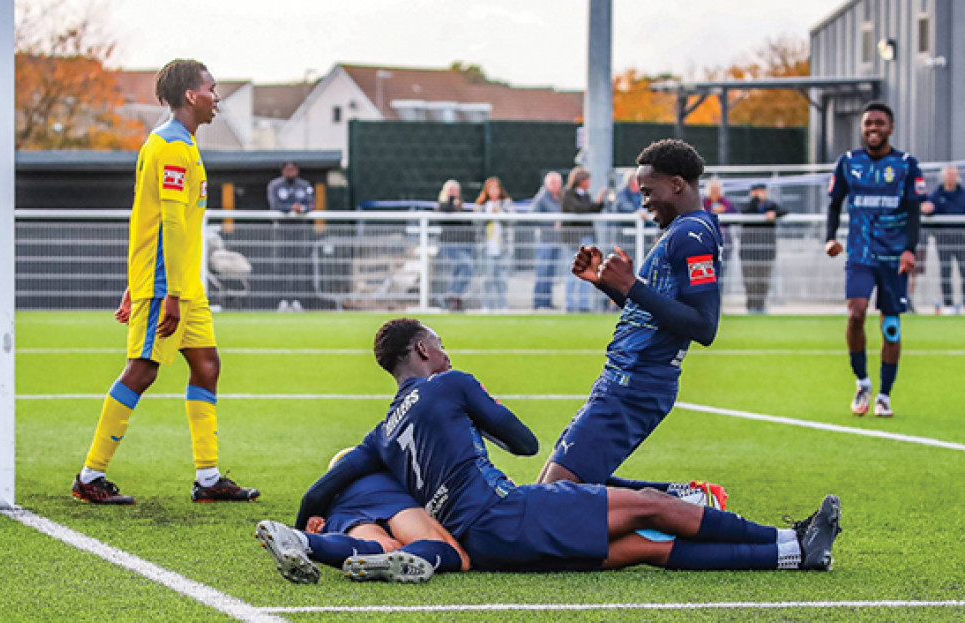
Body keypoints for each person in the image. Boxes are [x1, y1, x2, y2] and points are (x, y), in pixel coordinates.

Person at [290, 318, 842, 578]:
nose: (447, 352)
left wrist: (305, 524)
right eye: (442, 344)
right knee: (651, 504)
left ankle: (794, 554)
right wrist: (479, 416)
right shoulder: (450, 384)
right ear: (424, 348)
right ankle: (792, 536)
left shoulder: (381, 433)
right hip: (508, 512)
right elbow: (526, 443)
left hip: (484, 547)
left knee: (646, 546)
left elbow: (323, 489)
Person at [71, 59, 259, 505]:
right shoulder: (171, 147)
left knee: (207, 365)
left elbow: (147, 218)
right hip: (168, 285)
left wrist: (146, 283)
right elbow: (169, 224)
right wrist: (161, 290)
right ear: (192, 95)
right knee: (142, 369)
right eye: (212, 88)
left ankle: (209, 479)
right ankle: (89, 476)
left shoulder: (181, 144)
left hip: (180, 284)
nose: (217, 97)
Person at [537, 139, 723, 488]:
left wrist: (632, 286)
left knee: (556, 493)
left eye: (649, 191)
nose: (645, 201)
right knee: (553, 489)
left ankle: (682, 502)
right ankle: (682, 499)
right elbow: (656, 314)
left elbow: (704, 326)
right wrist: (609, 285)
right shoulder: (681, 231)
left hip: (638, 383)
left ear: (677, 184)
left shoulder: (693, 235)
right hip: (622, 378)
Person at [825, 101, 927, 418]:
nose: (873, 128)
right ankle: (862, 382)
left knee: (891, 327)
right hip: (860, 254)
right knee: (856, 314)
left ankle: (884, 395)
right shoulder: (848, 163)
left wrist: (910, 249)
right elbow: (834, 204)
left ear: (890, 128)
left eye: (879, 123)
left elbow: (913, 212)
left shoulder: (907, 165)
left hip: (894, 257)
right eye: (868, 123)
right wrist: (830, 237)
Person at [255, 449, 470, 584]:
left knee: (379, 546)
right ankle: (402, 557)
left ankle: (300, 540)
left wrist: (306, 528)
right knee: (456, 555)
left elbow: (314, 510)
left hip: (342, 512)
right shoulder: (390, 471)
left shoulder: (334, 495)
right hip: (392, 496)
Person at [266, 161, 315, 312]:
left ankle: (296, 300)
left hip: (300, 232)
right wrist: (290, 209)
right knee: (281, 265)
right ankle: (283, 300)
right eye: (287, 169)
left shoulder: (304, 185)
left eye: (293, 169)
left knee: (298, 266)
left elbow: (311, 204)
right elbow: (274, 205)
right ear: (282, 171)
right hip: (281, 231)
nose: (290, 172)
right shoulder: (275, 186)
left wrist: (302, 209)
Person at [561, 167, 606, 312]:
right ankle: (569, 304)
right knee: (572, 272)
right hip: (573, 239)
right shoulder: (568, 194)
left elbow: (592, 208)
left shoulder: (585, 196)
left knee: (587, 271)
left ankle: (583, 304)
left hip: (586, 237)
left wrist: (599, 201)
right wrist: (593, 205)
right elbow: (578, 209)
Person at [921, 166, 965, 314]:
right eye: (948, 175)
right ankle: (949, 303)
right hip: (943, 239)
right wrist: (926, 209)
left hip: (962, 239)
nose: (951, 178)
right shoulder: (936, 194)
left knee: (964, 270)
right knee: (945, 270)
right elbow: (928, 208)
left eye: (953, 175)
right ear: (944, 177)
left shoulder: (963, 194)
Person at [739, 183, 786, 314]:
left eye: (761, 191)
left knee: (764, 281)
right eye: (756, 191)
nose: (759, 194)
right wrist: (755, 201)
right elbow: (745, 211)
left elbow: (784, 210)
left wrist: (774, 213)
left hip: (766, 251)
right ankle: (751, 307)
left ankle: (761, 306)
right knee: (749, 281)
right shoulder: (747, 205)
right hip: (748, 251)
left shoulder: (770, 205)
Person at [435, 179, 476, 311]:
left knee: (460, 270)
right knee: (466, 266)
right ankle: (453, 295)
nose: (453, 192)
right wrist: (452, 203)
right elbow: (443, 216)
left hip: (465, 244)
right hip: (450, 244)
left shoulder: (463, 205)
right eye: (450, 190)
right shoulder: (442, 205)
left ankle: (454, 300)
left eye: (455, 190)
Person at [475, 176, 513, 311]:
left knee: (502, 279)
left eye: (496, 188)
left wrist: (500, 213)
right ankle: (487, 306)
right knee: (487, 279)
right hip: (487, 248)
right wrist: (487, 215)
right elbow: (476, 223)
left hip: (502, 248)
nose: (494, 191)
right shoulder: (481, 206)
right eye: (490, 188)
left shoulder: (506, 204)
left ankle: (503, 306)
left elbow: (512, 221)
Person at [531, 171, 564, 310]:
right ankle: (539, 302)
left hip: (557, 239)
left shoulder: (561, 197)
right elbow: (533, 216)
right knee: (542, 270)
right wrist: (552, 222)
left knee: (551, 271)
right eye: (553, 183)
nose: (556, 186)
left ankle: (547, 301)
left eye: (557, 183)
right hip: (545, 239)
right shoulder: (541, 198)